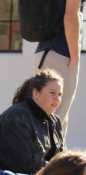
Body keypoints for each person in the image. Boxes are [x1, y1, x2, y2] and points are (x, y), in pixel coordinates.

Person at [0, 70, 66, 175]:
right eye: (52, 93)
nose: (57, 98)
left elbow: (62, 158)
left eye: (60, 94)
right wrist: (59, 171)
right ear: (36, 93)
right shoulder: (17, 116)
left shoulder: (55, 120)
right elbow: (26, 163)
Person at [33, 0, 83, 137]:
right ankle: (53, 159)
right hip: (61, 58)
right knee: (55, 122)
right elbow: (70, 18)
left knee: (50, 119)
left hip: (43, 54)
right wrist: (75, 55)